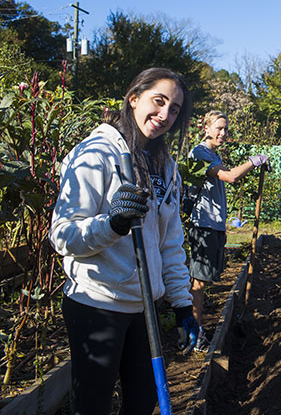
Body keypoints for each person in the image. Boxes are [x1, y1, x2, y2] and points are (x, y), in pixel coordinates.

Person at [49, 68, 197, 414]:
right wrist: (113, 224)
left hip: (143, 308)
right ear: (134, 99)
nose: (164, 115)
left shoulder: (165, 166)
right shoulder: (95, 155)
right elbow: (63, 234)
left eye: (174, 109)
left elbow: (169, 242)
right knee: (93, 406)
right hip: (97, 304)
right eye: (158, 102)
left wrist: (181, 302)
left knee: (142, 403)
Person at [188, 110, 268, 351]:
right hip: (203, 224)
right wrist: (253, 161)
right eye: (219, 128)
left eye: (225, 129)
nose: (223, 133)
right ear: (207, 128)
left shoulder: (212, 154)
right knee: (198, 284)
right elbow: (230, 177)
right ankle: (195, 334)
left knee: (204, 281)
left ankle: (196, 328)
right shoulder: (201, 152)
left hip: (214, 224)